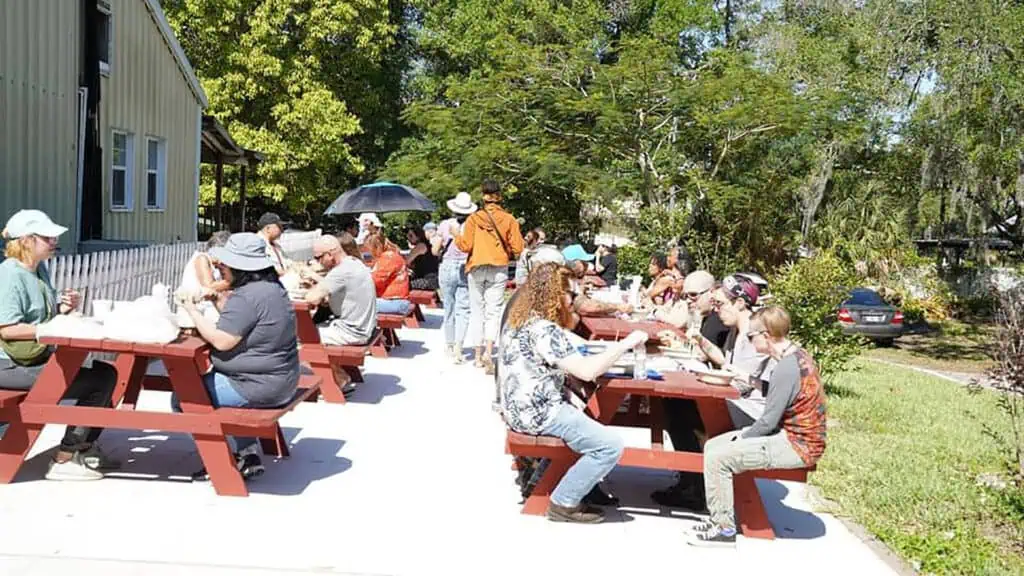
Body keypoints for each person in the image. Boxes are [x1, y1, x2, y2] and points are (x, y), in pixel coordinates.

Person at [498, 262, 648, 523]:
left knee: (586, 414)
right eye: (571, 294)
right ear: (555, 295)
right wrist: (627, 343)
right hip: (539, 413)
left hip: (516, 408)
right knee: (609, 446)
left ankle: (544, 481)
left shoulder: (521, 320)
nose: (573, 301)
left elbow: (573, 351)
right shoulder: (544, 329)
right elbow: (587, 371)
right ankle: (563, 502)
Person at [687, 306, 827, 547]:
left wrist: (741, 440)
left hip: (798, 445)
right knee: (712, 445)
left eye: (752, 336)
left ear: (767, 335)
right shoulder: (794, 356)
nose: (749, 341)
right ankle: (720, 518)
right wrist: (746, 377)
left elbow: (768, 421)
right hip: (792, 436)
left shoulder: (786, 367)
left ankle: (724, 529)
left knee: (719, 457)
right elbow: (779, 395)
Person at [0, 209, 119, 481]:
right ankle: (66, 457)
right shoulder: (9, 275)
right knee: (98, 380)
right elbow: (7, 328)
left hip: (30, 357)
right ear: (27, 240)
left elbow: (40, 318)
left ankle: (80, 448)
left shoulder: (38, 269)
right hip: (8, 363)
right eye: (48, 237)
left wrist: (62, 309)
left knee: (105, 373)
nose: (54, 241)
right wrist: (48, 328)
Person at [177, 232, 300, 481]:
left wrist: (191, 310)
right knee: (208, 387)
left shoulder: (247, 296)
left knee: (185, 397)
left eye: (224, 265)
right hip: (282, 380)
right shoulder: (273, 289)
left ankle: (223, 461)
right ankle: (249, 452)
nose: (220, 269)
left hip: (256, 386)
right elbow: (239, 323)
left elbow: (222, 340)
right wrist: (217, 301)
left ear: (238, 267)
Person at [651, 270, 731, 509]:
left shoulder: (719, 322)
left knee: (679, 413)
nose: (688, 301)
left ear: (711, 292)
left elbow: (721, 361)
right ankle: (690, 480)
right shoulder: (707, 317)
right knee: (671, 404)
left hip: (725, 397)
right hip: (710, 388)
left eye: (694, 295)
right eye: (686, 295)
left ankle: (694, 486)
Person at [454, 179, 525, 371]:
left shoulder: (473, 219)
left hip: (476, 266)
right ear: (499, 196)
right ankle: (488, 351)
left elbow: (465, 246)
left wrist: (456, 235)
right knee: (493, 312)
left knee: (477, 312)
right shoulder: (509, 219)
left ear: (483, 197)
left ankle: (477, 356)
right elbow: (519, 247)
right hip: (499, 266)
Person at [304, 234, 378, 347]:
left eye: (318, 257)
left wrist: (312, 288)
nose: (318, 262)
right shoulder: (355, 263)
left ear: (329, 254)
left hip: (352, 333)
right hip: (365, 328)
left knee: (300, 336)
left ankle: (318, 365)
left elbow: (311, 298)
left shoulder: (340, 271)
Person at [436, 192, 477, 363]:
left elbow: (434, 250)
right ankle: (460, 346)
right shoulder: (473, 226)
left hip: (447, 265)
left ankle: (450, 344)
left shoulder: (445, 225)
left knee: (449, 307)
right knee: (463, 309)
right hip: (464, 266)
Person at [365, 233, 412, 315]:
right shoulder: (392, 255)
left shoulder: (388, 258)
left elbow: (375, 281)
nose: (370, 253)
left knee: (356, 305)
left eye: (370, 250)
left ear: (376, 247)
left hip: (396, 303)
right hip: (398, 301)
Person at [181, 230, 231, 300]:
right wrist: (236, 282)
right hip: (194, 307)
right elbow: (209, 286)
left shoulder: (216, 264)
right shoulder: (202, 258)